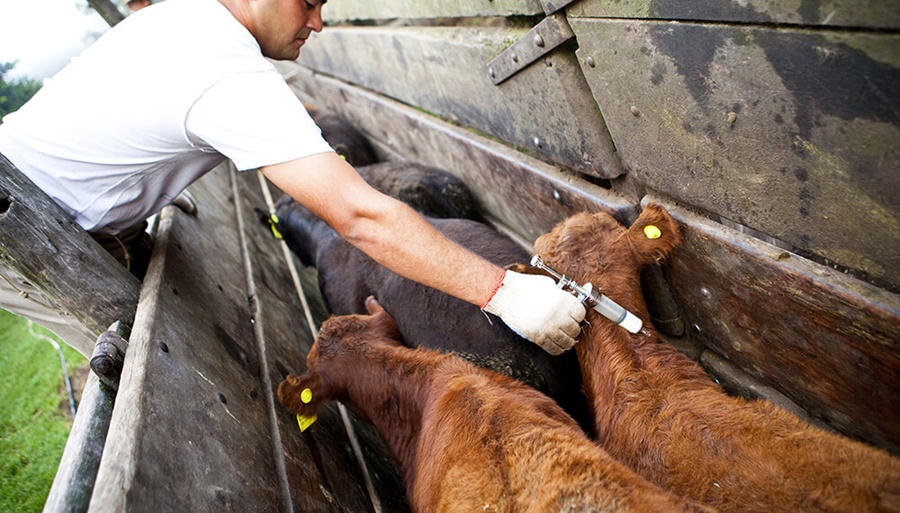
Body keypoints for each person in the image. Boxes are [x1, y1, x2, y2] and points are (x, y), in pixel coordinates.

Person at [0, 0, 586, 359]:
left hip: (38, 182)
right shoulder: (221, 65)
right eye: (307, 2)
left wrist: (144, 184)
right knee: (129, 359)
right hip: (22, 226)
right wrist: (504, 293)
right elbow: (358, 214)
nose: (319, 23)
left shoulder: (185, 19)